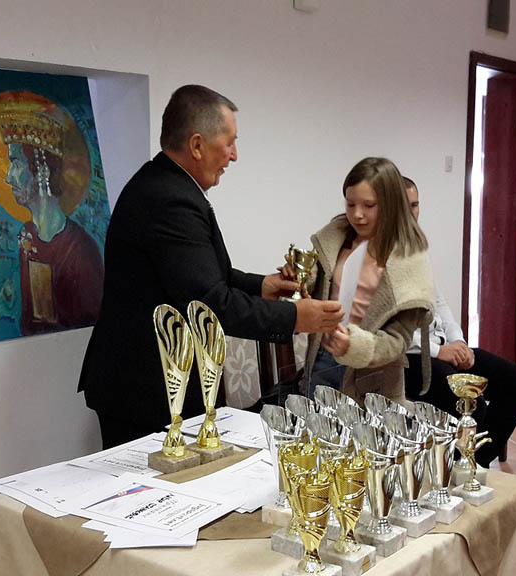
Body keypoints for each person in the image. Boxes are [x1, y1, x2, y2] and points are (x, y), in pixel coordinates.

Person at [78, 85, 344, 447]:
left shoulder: (166, 184)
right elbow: (208, 302)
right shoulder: (171, 200)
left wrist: (262, 286)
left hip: (149, 379)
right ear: (197, 145)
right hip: (145, 386)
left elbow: (205, 274)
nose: (234, 155)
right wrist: (295, 317)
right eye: (229, 142)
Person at [400, 177, 516, 467]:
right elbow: (384, 331)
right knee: (470, 406)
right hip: (408, 360)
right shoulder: (376, 257)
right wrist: (439, 352)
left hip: (442, 349)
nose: (411, 214)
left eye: (415, 206)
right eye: (404, 206)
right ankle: (463, 469)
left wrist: (458, 341)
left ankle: (475, 463)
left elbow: (439, 302)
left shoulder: (416, 248)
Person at [299, 157, 436, 407]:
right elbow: (316, 286)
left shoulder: (409, 259)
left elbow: (398, 341)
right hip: (322, 360)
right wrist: (299, 280)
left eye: (369, 205)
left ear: (391, 204)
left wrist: (354, 346)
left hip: (373, 379)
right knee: (317, 430)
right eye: (350, 204)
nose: (357, 215)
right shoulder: (337, 237)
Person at [0, 93, 105, 335]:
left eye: (16, 163)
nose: (8, 177)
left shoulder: (80, 251)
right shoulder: (27, 237)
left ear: (40, 168)